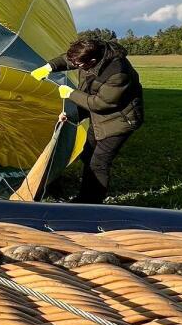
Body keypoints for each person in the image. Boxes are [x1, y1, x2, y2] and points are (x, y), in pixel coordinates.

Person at [31, 36, 144, 204]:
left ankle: (90, 202)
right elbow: (68, 59)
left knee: (98, 163)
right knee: (88, 154)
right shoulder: (92, 54)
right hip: (99, 119)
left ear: (92, 61)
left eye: (79, 65)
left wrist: (70, 94)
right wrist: (49, 67)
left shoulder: (118, 73)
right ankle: (88, 187)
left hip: (118, 122)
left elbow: (101, 103)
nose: (75, 67)